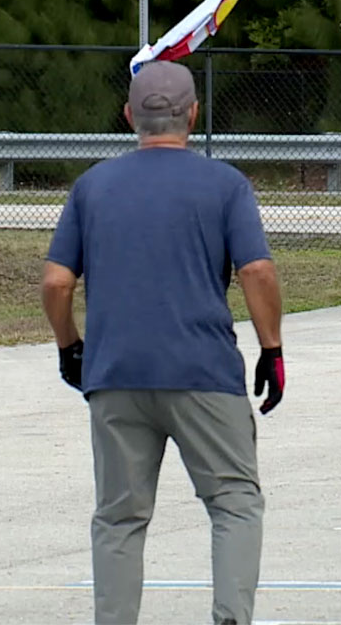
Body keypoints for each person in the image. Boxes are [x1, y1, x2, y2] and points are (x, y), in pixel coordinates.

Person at [41, 60, 284, 625]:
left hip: (116, 373)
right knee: (233, 502)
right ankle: (230, 618)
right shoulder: (225, 184)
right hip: (203, 371)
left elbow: (56, 281)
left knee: (120, 517)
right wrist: (271, 350)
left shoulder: (92, 186)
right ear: (193, 114)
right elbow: (258, 272)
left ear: (130, 116)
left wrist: (69, 346)